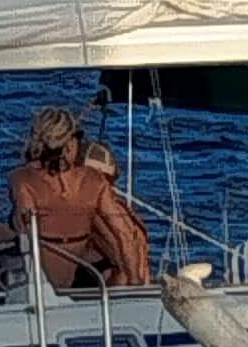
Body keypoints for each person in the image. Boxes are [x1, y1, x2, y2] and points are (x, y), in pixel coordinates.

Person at [8, 106, 152, 293]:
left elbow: (24, 231)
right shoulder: (94, 181)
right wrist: (135, 283)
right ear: (71, 143)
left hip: (37, 284)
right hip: (72, 273)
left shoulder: (21, 180)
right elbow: (125, 235)